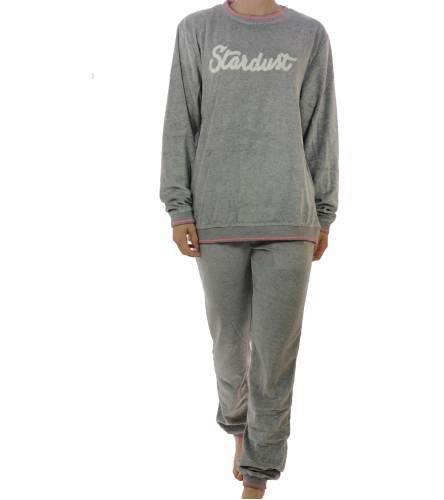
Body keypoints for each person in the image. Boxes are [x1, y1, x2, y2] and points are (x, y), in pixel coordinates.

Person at [159, 0, 339, 497]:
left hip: (289, 217)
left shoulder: (309, 34)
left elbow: (321, 123)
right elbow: (181, 118)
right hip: (217, 216)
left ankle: (258, 474)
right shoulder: (197, 29)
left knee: (275, 358)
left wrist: (323, 211)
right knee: (228, 346)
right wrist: (179, 206)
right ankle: (238, 426)